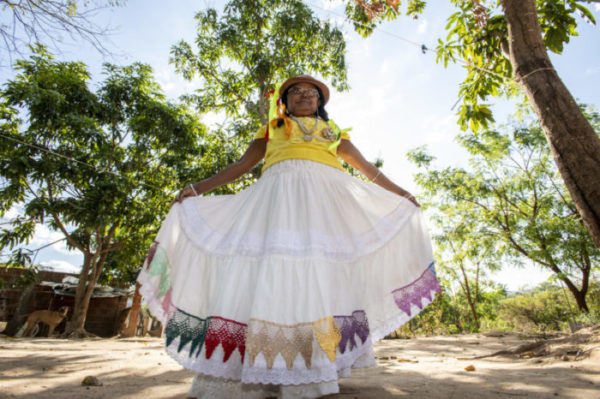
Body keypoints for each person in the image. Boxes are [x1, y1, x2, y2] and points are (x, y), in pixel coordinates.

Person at [137, 75, 440, 399]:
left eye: (312, 93)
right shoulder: (272, 128)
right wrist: (197, 189)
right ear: (286, 100)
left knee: (317, 278)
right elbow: (242, 164)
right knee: (271, 274)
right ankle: (262, 371)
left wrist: (402, 193)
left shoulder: (334, 131)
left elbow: (368, 170)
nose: (305, 96)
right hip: (277, 205)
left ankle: (312, 369)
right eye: (297, 92)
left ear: (320, 103)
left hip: (323, 211)